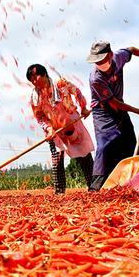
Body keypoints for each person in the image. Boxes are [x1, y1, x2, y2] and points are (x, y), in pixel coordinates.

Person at [86, 41, 139, 191]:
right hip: (103, 110)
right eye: (96, 62)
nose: (99, 64)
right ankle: (97, 186)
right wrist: (138, 111)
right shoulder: (95, 78)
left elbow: (132, 49)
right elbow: (113, 103)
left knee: (130, 140)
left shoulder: (118, 57)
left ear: (110, 55)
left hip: (120, 106)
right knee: (105, 144)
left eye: (102, 60)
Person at [26, 64, 94, 194]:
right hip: (54, 129)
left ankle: (93, 186)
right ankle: (59, 191)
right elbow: (39, 116)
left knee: (83, 155)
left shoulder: (61, 84)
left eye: (36, 76)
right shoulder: (35, 96)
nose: (34, 81)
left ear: (45, 74)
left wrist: (83, 107)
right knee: (57, 159)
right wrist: (48, 128)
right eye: (31, 79)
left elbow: (77, 92)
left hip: (71, 122)